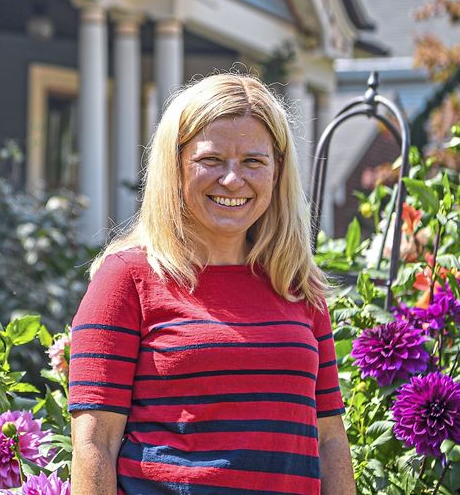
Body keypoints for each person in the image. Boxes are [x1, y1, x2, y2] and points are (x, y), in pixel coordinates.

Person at [69, 73, 355, 495]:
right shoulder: (126, 278)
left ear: (277, 172)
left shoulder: (297, 285)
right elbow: (95, 442)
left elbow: (330, 439)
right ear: (176, 166)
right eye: (212, 160)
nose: (233, 180)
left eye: (253, 161)